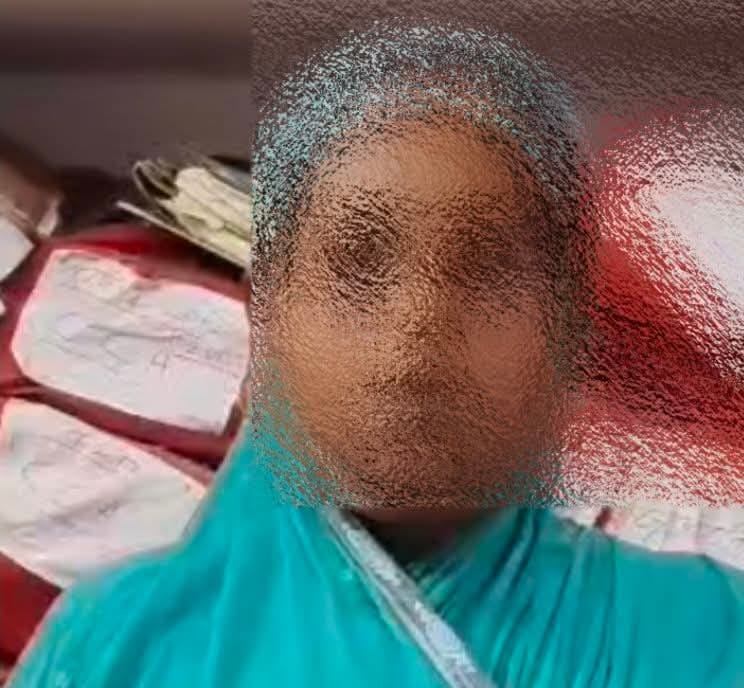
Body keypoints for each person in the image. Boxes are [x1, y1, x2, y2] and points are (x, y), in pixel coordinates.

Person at [9, 22, 744, 688]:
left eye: (488, 268)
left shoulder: (706, 632)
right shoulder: (111, 642)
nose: (420, 319)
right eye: (358, 264)